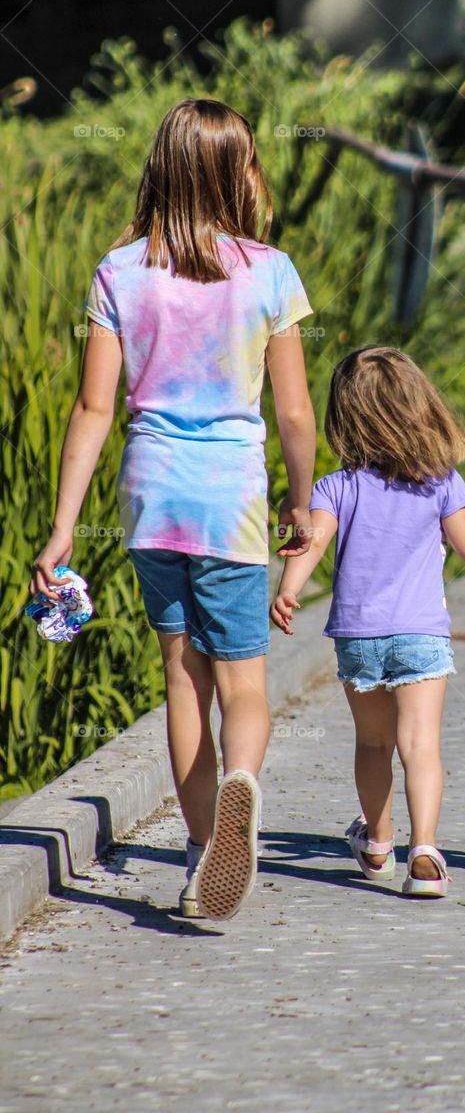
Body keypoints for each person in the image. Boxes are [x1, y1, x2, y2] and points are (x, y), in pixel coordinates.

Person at [31, 98, 316, 920]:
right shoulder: (269, 271)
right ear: (239, 174)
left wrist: (61, 529)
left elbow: (91, 412)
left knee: (181, 678)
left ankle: (200, 854)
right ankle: (242, 785)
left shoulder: (119, 271)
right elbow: (294, 415)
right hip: (231, 503)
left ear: (159, 170)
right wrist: (301, 503)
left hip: (152, 499)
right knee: (244, 683)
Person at [271, 346, 465, 897]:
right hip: (420, 634)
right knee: (420, 744)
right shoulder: (438, 480)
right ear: (422, 409)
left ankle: (378, 844)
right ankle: (424, 850)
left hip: (358, 635)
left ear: (344, 417)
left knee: (373, 744)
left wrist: (288, 588)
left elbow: (313, 539)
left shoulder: (337, 486)